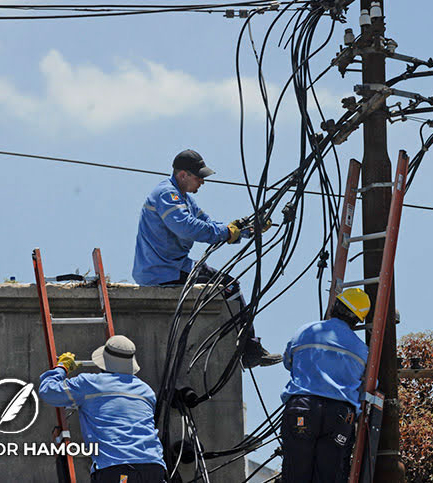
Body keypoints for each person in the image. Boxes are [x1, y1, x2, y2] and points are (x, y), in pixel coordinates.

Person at [132, 148, 280, 368]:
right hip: (163, 270)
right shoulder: (167, 194)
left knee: (227, 285)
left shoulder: (185, 200)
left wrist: (248, 229)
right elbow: (187, 228)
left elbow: (210, 224)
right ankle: (248, 348)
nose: (202, 182)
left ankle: (247, 345)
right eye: (199, 177)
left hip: (172, 266)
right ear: (183, 175)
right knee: (229, 287)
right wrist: (227, 232)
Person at [38, 335, 167, 483]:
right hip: (154, 467)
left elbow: (48, 391)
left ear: (103, 362)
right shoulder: (146, 390)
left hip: (117, 468)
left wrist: (61, 368)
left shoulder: (90, 384)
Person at [280, 288, 371, 483]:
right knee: (331, 476)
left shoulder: (305, 332)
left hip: (302, 407)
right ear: (357, 320)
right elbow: (371, 384)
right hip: (339, 415)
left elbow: (288, 362)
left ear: (335, 306)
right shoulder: (363, 351)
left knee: (295, 475)